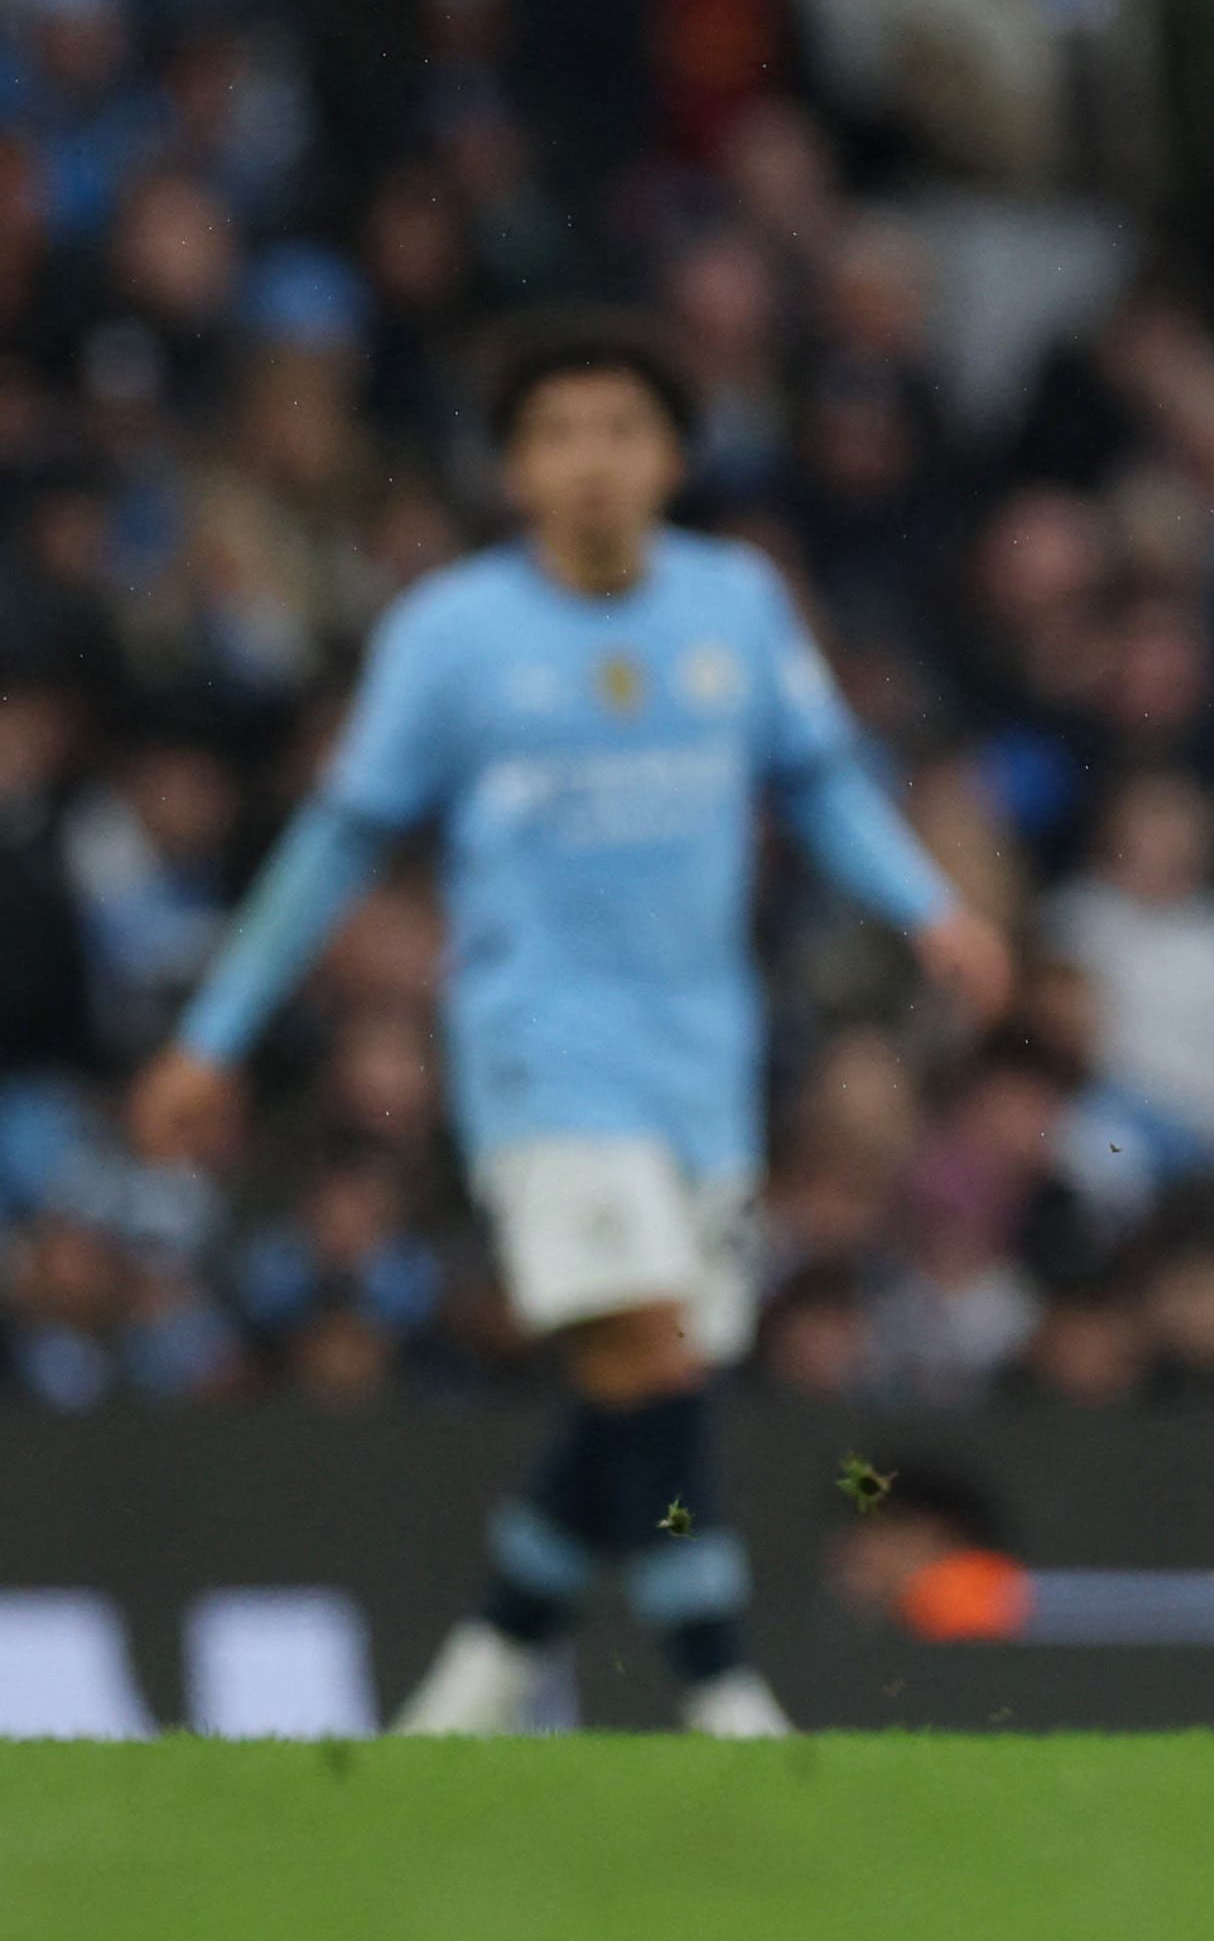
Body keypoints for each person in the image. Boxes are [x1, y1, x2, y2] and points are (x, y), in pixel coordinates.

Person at [131, 311, 1011, 1734]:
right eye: (556, 434)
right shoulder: (453, 634)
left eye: (620, 429)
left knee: (636, 1391)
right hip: (542, 1046)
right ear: (515, 468)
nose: (591, 460)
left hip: (705, 1064)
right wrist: (212, 1031)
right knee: (650, 1354)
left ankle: (475, 1676)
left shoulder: (735, 605)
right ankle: (724, 1694)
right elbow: (338, 841)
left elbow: (828, 780)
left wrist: (931, 907)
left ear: (671, 453)